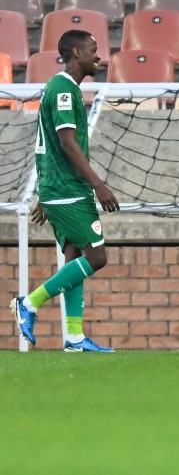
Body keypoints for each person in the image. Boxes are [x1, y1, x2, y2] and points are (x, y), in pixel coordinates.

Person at [10, 30, 118, 352]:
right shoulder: (64, 90)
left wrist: (45, 192)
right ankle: (28, 303)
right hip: (69, 189)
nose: (98, 56)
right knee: (96, 257)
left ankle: (73, 338)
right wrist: (98, 184)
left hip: (59, 188)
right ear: (76, 52)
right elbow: (67, 143)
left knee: (74, 256)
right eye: (93, 50)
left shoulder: (61, 88)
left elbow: (48, 145)